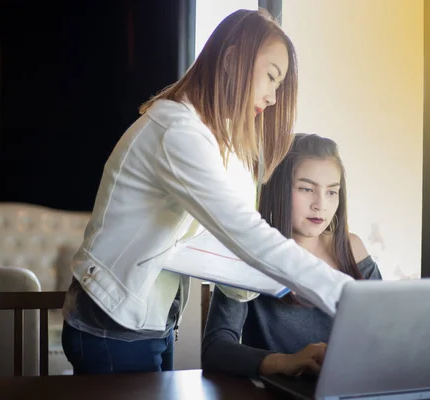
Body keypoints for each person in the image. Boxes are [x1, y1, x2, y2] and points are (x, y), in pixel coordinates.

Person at [61, 9, 355, 375]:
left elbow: (213, 238)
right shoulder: (179, 134)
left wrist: (277, 280)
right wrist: (346, 295)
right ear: (232, 60)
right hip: (113, 324)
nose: (273, 97)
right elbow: (244, 230)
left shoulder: (210, 139)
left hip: (148, 321)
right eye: (270, 77)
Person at [201, 133, 383, 378]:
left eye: (332, 192)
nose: (321, 204)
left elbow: (383, 333)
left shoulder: (352, 249)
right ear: (279, 190)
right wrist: (285, 362)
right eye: (307, 189)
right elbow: (215, 349)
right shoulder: (246, 253)